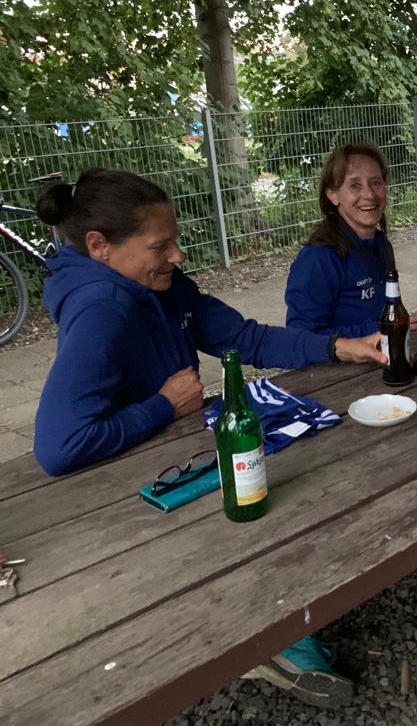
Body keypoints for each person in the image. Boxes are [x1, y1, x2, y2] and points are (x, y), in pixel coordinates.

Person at [32, 169, 385, 709]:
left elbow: (242, 337)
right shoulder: (102, 305)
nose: (176, 255)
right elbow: (58, 446)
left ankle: (271, 622)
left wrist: (341, 347)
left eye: (174, 241)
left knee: (299, 467)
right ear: (100, 247)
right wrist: (162, 406)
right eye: (160, 245)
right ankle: (265, 635)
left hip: (185, 451)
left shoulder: (157, 286)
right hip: (134, 491)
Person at [285, 143, 417, 337]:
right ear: (332, 195)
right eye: (355, 185)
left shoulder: (381, 245)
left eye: (376, 183)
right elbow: (302, 340)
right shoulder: (318, 260)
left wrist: (397, 325)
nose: (369, 195)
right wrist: (384, 329)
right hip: (341, 367)